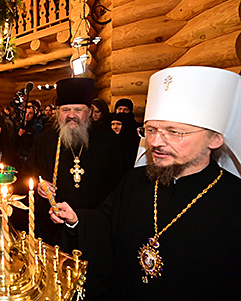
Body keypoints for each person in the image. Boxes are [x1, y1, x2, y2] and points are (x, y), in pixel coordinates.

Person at [53, 66, 241, 299]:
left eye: (174, 132)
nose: (155, 142)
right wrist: (77, 219)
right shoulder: (136, 180)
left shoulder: (235, 200)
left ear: (214, 138)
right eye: (151, 130)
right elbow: (106, 222)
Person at [28, 77, 126, 298]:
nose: (71, 115)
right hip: (55, 228)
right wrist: (40, 186)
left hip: (96, 228)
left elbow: (120, 184)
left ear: (89, 111)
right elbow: (32, 173)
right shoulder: (46, 140)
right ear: (58, 112)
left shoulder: (108, 141)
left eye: (77, 109)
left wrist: (94, 220)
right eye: (65, 109)